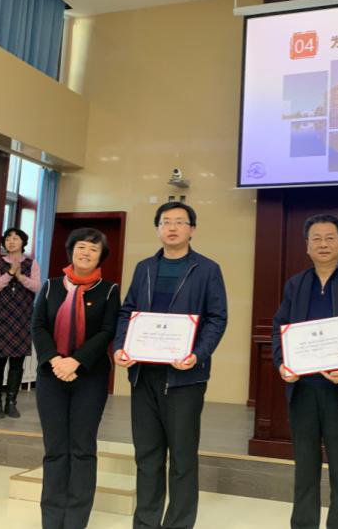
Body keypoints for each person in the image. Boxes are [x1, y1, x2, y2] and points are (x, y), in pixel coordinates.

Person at [113, 201, 227, 529]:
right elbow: (128, 311)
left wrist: (198, 354)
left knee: (182, 457)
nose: (172, 227)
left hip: (184, 378)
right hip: (143, 375)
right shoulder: (145, 267)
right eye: (165, 222)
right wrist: (121, 347)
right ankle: (146, 523)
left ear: (192, 229)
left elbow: (217, 318)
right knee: (147, 456)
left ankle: (178, 524)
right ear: (158, 228)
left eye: (180, 221)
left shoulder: (207, 269)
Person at [272, 214, 338, 529]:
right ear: (307, 246)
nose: (323, 244)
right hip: (303, 390)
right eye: (316, 238)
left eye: (330, 238)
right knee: (304, 468)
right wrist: (282, 364)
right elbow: (280, 329)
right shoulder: (295, 284)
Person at [31, 228, 120, 529]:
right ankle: (52, 520)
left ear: (101, 256)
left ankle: (76, 521)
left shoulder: (109, 290)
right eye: (81, 247)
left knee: (82, 449)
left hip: (90, 378)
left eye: (94, 249)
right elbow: (38, 326)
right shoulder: (51, 286)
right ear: (71, 251)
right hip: (51, 375)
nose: (86, 253)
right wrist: (55, 359)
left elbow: (108, 330)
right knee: (55, 449)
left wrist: (76, 361)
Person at [0, 227, 41, 418]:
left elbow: (36, 287)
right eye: (8, 238)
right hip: (0, 318)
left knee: (17, 362)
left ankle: (11, 403)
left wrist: (20, 276)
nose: (11, 241)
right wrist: (10, 273)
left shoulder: (32, 263)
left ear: (23, 242)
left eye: (16, 238)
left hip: (23, 318)